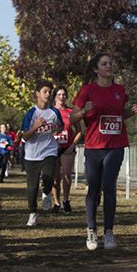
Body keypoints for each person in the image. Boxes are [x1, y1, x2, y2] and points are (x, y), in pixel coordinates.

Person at [72, 53, 137, 251]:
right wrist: (84, 111)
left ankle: (109, 232)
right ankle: (91, 230)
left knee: (109, 186)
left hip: (116, 145)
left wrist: (131, 112)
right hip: (94, 147)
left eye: (111, 63)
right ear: (96, 69)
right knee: (94, 188)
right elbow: (72, 119)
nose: (109, 66)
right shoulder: (87, 90)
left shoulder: (119, 90)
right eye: (104, 64)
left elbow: (120, 114)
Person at [19, 82, 62, 228]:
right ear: (37, 93)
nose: (48, 94)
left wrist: (57, 129)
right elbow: (24, 137)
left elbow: (60, 126)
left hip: (49, 150)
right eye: (45, 91)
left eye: (50, 92)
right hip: (32, 154)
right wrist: (35, 127)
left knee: (49, 176)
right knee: (32, 187)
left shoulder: (54, 112)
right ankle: (33, 213)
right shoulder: (31, 113)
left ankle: (47, 193)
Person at [51, 85, 76, 214]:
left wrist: (72, 144)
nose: (62, 97)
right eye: (59, 94)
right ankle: (56, 202)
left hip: (67, 147)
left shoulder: (71, 112)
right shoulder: (49, 111)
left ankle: (66, 200)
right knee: (55, 178)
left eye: (64, 95)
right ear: (55, 96)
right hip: (53, 148)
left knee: (67, 175)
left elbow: (80, 131)